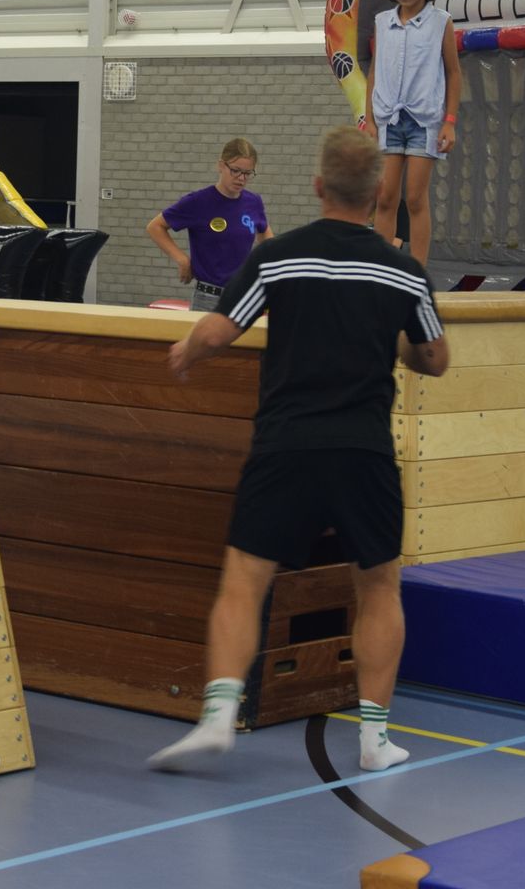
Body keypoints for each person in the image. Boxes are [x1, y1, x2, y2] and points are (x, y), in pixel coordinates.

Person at [148, 126, 449, 775]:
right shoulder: (403, 271)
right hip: (364, 450)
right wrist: (396, 341)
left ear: (318, 187)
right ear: (378, 192)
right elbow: (435, 357)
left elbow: (220, 330)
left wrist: (188, 351)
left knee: (244, 580)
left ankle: (219, 716)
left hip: (286, 445)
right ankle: (374, 740)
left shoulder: (280, 257)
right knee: (379, 586)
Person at [362, 0, 459, 266]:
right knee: (385, 197)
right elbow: (375, 72)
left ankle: (417, 271)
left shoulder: (440, 22)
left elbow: (453, 73)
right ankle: (382, 268)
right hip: (389, 120)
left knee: (415, 198)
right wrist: (369, 120)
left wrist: (449, 122)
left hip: (423, 121)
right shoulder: (383, 22)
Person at [145, 139, 271, 311]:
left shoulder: (253, 202)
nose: (241, 178)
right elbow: (155, 227)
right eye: (235, 171)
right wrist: (182, 259)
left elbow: (266, 236)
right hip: (208, 298)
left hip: (242, 297)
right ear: (221, 165)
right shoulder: (198, 202)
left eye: (247, 173)